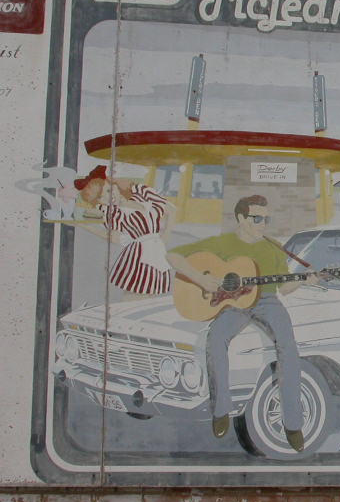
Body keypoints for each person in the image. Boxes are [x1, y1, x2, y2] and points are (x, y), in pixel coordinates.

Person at [165, 195, 315, 452]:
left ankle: (293, 424)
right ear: (241, 218)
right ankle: (221, 410)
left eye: (266, 219)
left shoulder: (273, 247)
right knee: (215, 340)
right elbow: (173, 256)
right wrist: (201, 279)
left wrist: (305, 279)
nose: (263, 224)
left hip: (267, 301)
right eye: (257, 218)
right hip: (233, 304)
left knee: (288, 348)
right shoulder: (222, 243)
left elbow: (284, 288)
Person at [73, 165, 172, 296]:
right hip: (138, 256)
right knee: (136, 292)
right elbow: (115, 236)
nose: (109, 197)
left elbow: (164, 206)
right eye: (102, 197)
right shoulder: (115, 214)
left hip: (156, 251)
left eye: (109, 190)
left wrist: (132, 186)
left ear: (114, 185)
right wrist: (87, 225)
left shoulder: (138, 197)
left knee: (151, 292)